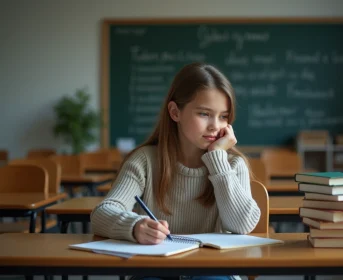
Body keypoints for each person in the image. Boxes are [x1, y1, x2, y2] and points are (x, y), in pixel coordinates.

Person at [91, 62, 261, 280]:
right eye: (204, 114)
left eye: (223, 116)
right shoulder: (144, 160)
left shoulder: (232, 164)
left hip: (213, 271)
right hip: (157, 269)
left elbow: (242, 226)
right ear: (175, 112)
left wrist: (217, 158)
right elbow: (102, 213)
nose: (215, 126)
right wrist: (134, 227)